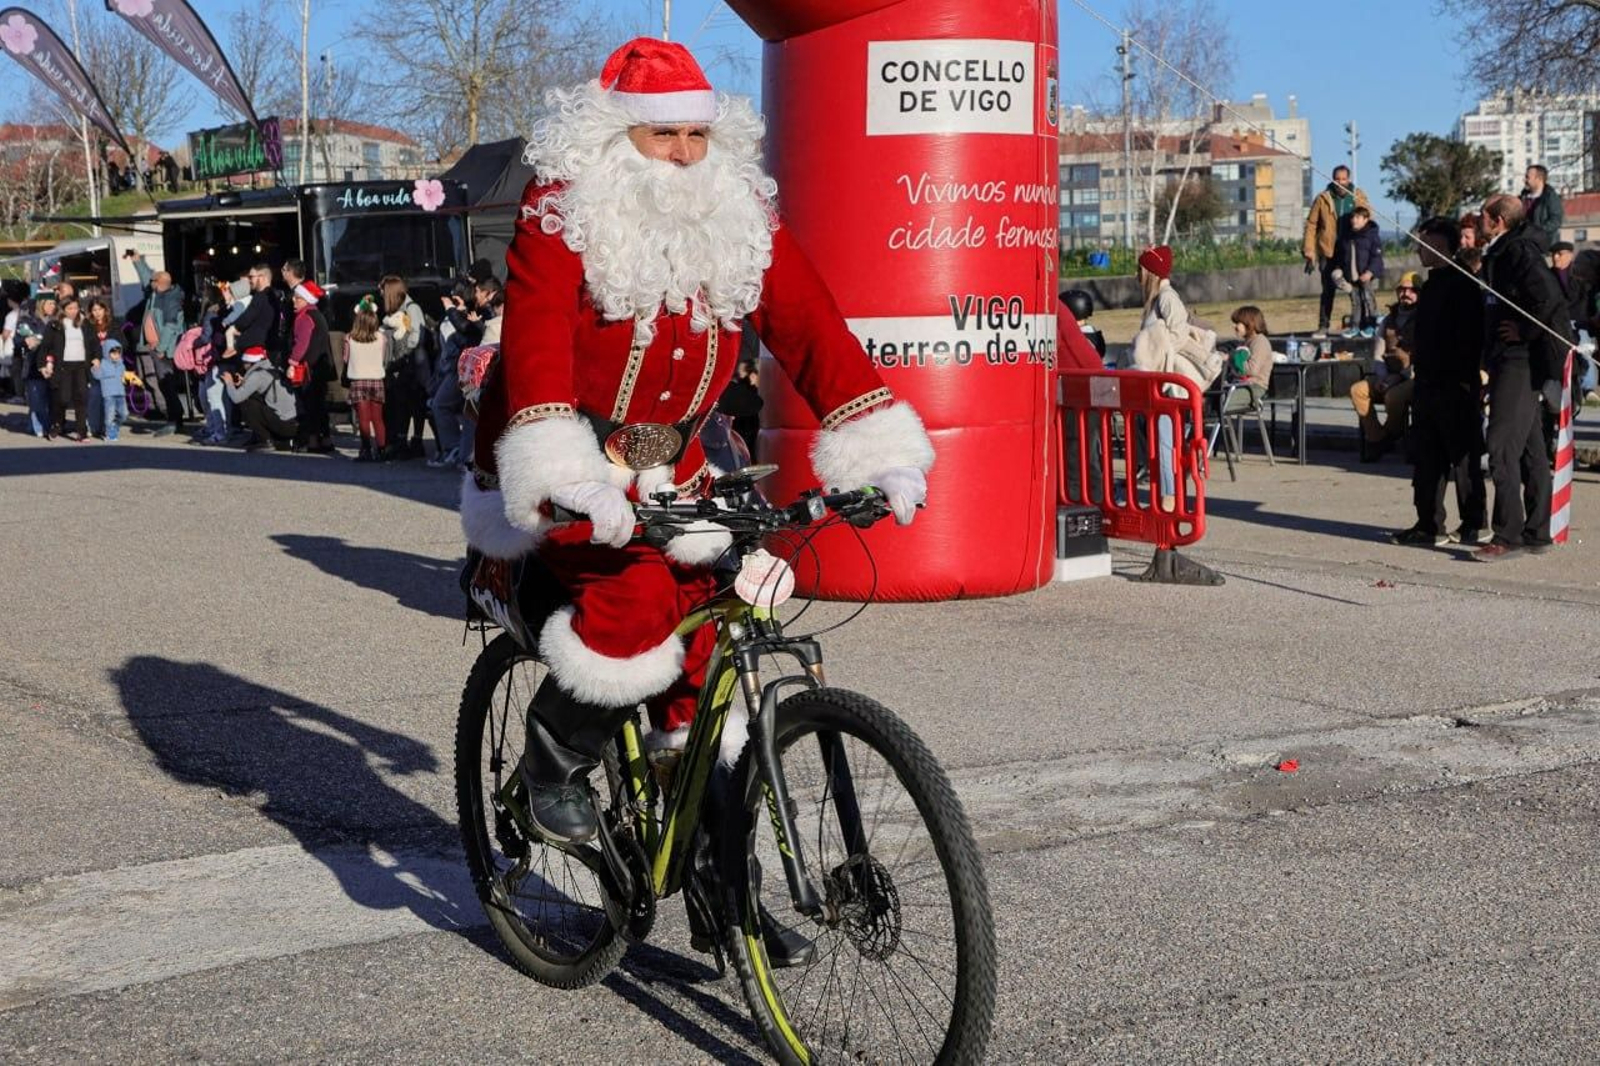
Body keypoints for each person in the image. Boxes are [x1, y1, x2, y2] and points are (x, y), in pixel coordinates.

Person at [462, 38, 933, 852]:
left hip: (677, 467)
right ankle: (550, 762)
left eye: (696, 137)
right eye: (663, 136)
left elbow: (810, 325)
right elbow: (533, 343)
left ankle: (723, 875)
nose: (682, 155)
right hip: (577, 460)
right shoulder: (564, 211)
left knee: (720, 620)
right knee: (638, 601)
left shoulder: (737, 213)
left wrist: (874, 437)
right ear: (618, 138)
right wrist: (562, 469)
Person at [1477, 194, 1571, 560]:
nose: (1479, 220)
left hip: (1518, 359)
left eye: (1484, 215)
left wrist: (1523, 330)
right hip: (1510, 358)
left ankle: (1508, 535)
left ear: (1498, 220)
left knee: (1500, 445)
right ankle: (1537, 530)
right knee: (1531, 447)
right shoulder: (1506, 249)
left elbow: (1549, 299)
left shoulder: (1518, 251)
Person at [1392, 217, 1488, 548]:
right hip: (1428, 384)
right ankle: (1429, 524)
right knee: (1427, 456)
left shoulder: (1463, 284)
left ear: (1441, 245)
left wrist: (1463, 380)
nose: (1419, 249)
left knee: (1462, 458)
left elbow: (1470, 338)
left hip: (1455, 385)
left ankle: (1474, 522)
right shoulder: (1430, 285)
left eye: (1424, 242)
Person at [1129, 245, 1217, 509]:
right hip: (1163, 381)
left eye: (1140, 270)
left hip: (1169, 384)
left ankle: (1169, 494)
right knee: (1159, 437)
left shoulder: (1167, 297)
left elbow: (1177, 334)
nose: (1137, 276)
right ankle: (1166, 491)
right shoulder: (1160, 299)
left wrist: (1158, 351)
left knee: (1165, 439)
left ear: (1150, 272)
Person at [1348, 271, 1419, 461]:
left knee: (1393, 397)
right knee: (1358, 390)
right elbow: (1378, 353)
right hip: (1387, 374)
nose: (1406, 293)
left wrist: (1398, 377)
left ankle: (1390, 435)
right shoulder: (1388, 320)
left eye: (1412, 290)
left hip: (1412, 377)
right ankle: (1378, 438)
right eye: (1402, 289)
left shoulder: (1425, 318)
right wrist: (1382, 377)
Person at [1303, 165, 1371, 335]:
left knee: (1356, 288)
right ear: (1333, 180)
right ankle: (1323, 325)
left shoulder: (1358, 196)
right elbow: (1312, 224)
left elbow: (1368, 219)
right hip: (1328, 251)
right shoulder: (1323, 198)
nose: (1340, 182)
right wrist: (1309, 249)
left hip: (1351, 251)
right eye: (1337, 179)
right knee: (1328, 290)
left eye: (1343, 179)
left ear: (1348, 180)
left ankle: (1360, 324)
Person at [129, 250, 187, 437]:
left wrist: (162, 348)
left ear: (160, 284)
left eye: (153, 281)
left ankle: (175, 420)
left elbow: (171, 327)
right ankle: (175, 418)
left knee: (167, 383)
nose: (149, 284)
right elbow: (147, 278)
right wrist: (138, 261)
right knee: (164, 385)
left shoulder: (170, 299)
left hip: (164, 350)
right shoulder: (156, 294)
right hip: (155, 347)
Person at [378, 275, 428, 460]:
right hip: (403, 363)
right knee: (403, 403)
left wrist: (403, 355)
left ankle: (415, 440)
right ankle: (402, 440)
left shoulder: (411, 308)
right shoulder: (397, 310)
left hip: (411, 364)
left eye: (383, 290)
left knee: (413, 403)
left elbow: (416, 335)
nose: (380, 293)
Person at [286, 280, 335, 452]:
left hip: (308, 369)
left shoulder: (304, 317)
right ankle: (326, 440)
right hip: (321, 368)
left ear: (306, 299)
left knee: (310, 405)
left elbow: (301, 344)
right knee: (320, 405)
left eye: (298, 298)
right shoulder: (318, 315)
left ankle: (313, 441)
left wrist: (292, 361)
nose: (294, 301)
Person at [342, 296, 390, 462]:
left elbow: (346, 359)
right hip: (376, 380)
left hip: (358, 380)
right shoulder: (381, 338)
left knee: (363, 418)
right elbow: (383, 359)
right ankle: (382, 449)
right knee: (378, 418)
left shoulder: (349, 338)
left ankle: (366, 449)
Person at [43, 296, 96, 441]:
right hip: (63, 366)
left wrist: (96, 357)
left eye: (76, 308)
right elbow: (46, 346)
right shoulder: (55, 325)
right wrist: (44, 364)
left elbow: (93, 343)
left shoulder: (85, 323)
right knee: (63, 398)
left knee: (81, 399)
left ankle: (82, 432)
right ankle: (57, 424)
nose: (73, 311)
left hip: (81, 365)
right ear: (63, 309)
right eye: (70, 308)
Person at [223, 352, 299, 451]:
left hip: (284, 424)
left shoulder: (258, 374)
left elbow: (236, 398)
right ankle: (276, 441)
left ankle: (265, 440)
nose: (243, 366)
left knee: (246, 405)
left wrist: (229, 383)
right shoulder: (272, 368)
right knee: (253, 399)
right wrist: (244, 383)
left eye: (244, 363)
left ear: (250, 363)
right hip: (293, 423)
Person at [1331, 204, 1384, 335]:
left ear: (1366, 219)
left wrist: (1370, 272)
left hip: (1367, 276)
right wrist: (1339, 271)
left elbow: (1377, 257)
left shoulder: (1371, 236)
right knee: (1355, 302)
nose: (1354, 220)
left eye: (1358, 217)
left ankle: (1372, 325)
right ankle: (1355, 326)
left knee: (1368, 299)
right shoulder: (1346, 237)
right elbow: (1340, 256)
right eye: (1353, 217)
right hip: (1352, 277)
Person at [18, 292, 55, 437]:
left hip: (52, 365)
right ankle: (39, 427)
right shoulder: (28, 321)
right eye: (50, 303)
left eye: (54, 304)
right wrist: (24, 342)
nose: (53, 306)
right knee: (36, 399)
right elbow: (17, 340)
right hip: (33, 365)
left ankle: (36, 425)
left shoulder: (55, 322)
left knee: (48, 399)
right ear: (42, 304)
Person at [1519, 164, 1564, 252]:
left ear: (1539, 179)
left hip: (1543, 248)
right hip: (1524, 246)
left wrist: (1536, 231)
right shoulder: (1522, 198)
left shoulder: (1550, 197)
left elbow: (1556, 221)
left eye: (1528, 177)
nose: (1524, 180)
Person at [92, 338, 129, 442]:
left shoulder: (121, 364)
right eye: (113, 353)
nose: (116, 355)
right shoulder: (103, 364)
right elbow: (97, 376)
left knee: (124, 414)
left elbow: (124, 377)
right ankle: (109, 432)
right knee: (109, 416)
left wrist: (129, 379)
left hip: (120, 393)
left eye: (118, 353)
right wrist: (96, 367)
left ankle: (115, 426)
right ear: (107, 353)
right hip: (109, 395)